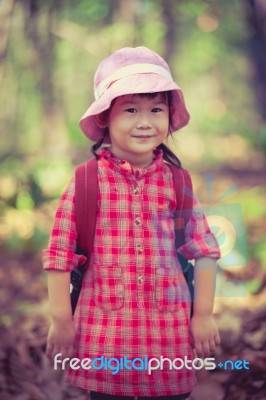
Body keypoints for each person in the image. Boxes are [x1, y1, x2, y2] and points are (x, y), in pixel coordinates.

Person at [43, 46, 221, 400]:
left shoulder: (178, 182)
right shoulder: (85, 182)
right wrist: (62, 321)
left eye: (156, 108)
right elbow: (59, 256)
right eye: (131, 110)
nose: (145, 121)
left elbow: (203, 250)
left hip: (169, 337)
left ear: (170, 115)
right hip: (103, 336)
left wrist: (203, 315)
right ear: (106, 118)